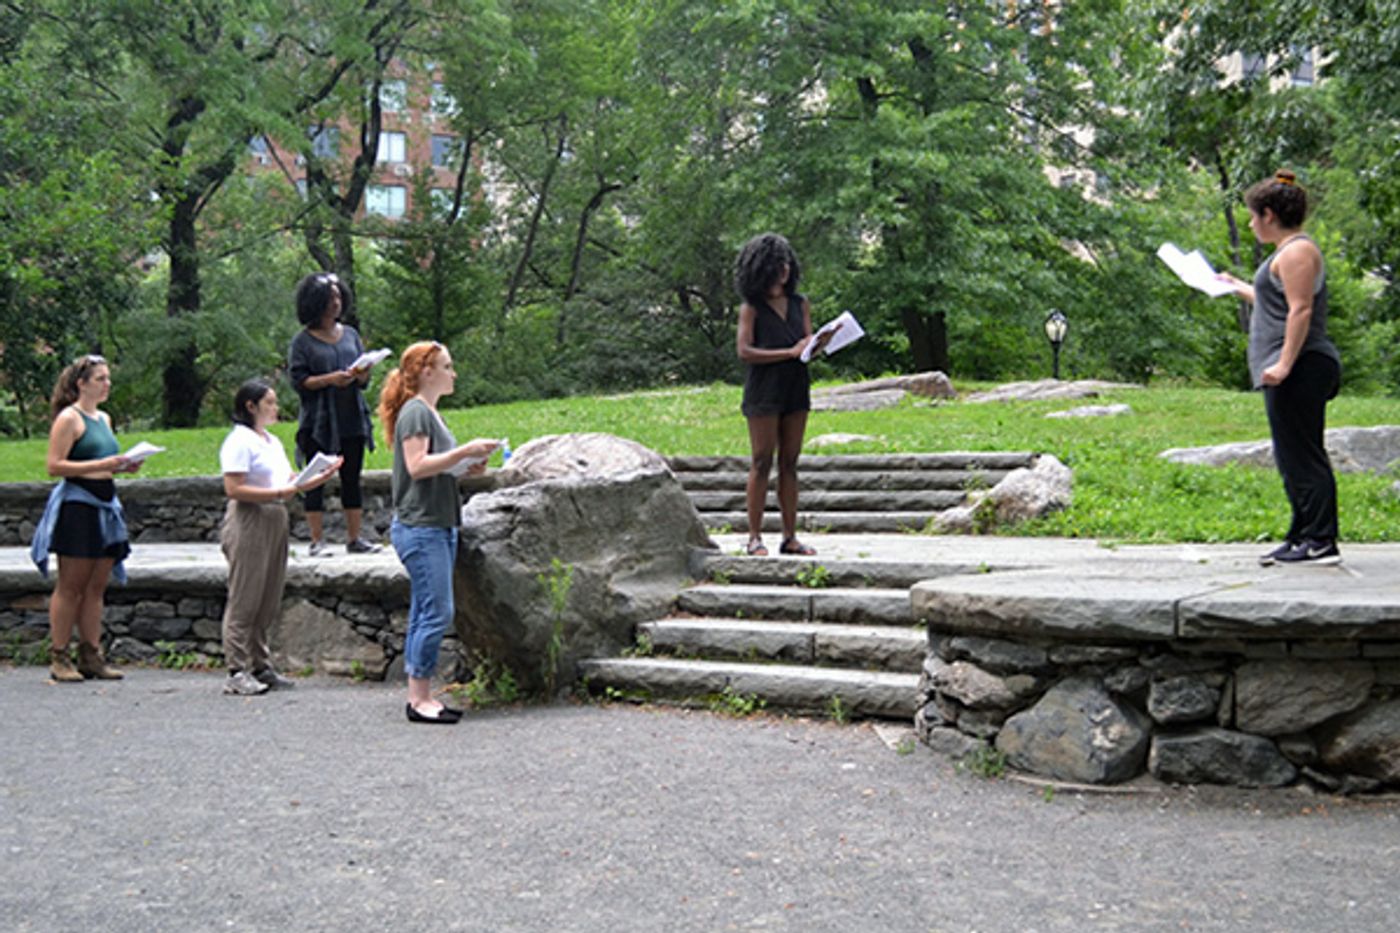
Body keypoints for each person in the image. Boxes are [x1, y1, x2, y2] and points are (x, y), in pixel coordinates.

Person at [1217, 169, 1343, 566]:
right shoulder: (1285, 254)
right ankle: (1302, 534)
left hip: (1303, 365)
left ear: (1269, 214)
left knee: (1303, 454)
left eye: (1254, 216)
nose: (1252, 224)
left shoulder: (1298, 251)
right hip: (1289, 367)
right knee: (1290, 455)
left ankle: (1322, 540)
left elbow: (1301, 309)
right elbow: (1276, 302)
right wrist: (1235, 285)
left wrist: (1285, 363)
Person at [378, 342, 500, 724]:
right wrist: (463, 451)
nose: (454, 373)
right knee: (437, 610)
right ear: (427, 372)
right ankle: (419, 700)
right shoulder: (415, 411)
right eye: (447, 366)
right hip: (421, 527)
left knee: (425, 609)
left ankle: (420, 695)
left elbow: (434, 466)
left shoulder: (429, 412)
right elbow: (416, 466)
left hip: (439, 522)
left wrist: (466, 467)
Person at [218, 379, 341, 696]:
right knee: (245, 595)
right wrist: (277, 492)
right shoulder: (239, 441)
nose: (275, 408)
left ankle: (261, 663)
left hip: (275, 516)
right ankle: (236, 668)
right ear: (251, 406)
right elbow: (233, 488)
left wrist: (318, 476)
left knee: (268, 596)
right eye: (269, 402)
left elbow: (290, 481)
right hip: (250, 518)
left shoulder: (271, 441)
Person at [30, 354, 140, 682]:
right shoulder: (69, 418)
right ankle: (59, 655)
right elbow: (55, 465)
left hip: (105, 505)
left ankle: (91, 653)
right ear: (82, 384)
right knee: (71, 585)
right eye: (100, 379)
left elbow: (104, 459)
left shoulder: (103, 419)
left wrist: (123, 465)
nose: (107, 384)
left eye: (108, 378)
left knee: (96, 586)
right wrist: (101, 464)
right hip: (78, 506)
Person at [734, 233, 836, 557]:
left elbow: (803, 345)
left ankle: (790, 536)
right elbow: (745, 351)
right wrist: (787, 353)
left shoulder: (799, 303)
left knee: (790, 462)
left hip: (795, 385)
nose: (785, 271)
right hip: (764, 388)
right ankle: (754, 536)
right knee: (762, 460)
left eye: (788, 264)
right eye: (778, 266)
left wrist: (819, 344)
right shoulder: (752, 308)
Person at [287, 271, 380, 556]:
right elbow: (299, 381)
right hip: (320, 421)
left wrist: (362, 374)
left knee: (352, 477)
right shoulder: (302, 342)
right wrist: (330, 379)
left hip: (351, 416)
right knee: (316, 480)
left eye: (339, 296)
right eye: (329, 298)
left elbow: (365, 384)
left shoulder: (350, 334)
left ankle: (355, 539)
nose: (336, 302)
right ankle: (317, 541)